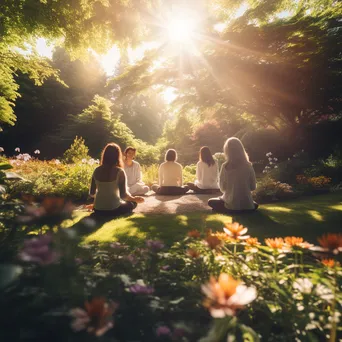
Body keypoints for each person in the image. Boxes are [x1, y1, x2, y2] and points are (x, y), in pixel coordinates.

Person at [89, 143, 144, 216]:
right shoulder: (119, 171)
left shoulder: (96, 170)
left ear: (104, 155)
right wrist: (134, 199)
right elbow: (123, 195)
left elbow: (92, 193)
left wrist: (102, 198)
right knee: (133, 203)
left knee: (122, 201)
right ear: (118, 156)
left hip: (98, 209)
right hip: (113, 209)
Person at [208, 137, 258, 213]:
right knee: (254, 204)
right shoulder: (248, 165)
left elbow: (222, 188)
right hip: (248, 205)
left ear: (227, 151)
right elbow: (253, 187)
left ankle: (228, 209)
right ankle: (246, 207)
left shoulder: (225, 166)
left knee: (210, 202)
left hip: (231, 205)